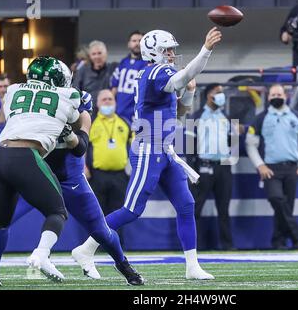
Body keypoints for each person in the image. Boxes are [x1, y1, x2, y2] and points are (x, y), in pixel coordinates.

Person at [72, 27, 222, 280]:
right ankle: (86, 248)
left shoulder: (158, 75)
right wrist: (205, 50)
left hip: (165, 149)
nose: (172, 54)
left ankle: (192, 266)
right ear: (153, 51)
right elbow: (182, 77)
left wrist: (191, 91)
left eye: (173, 49)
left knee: (186, 205)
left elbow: (179, 113)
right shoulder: (156, 71)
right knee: (131, 210)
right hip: (147, 149)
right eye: (167, 49)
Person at [0, 91, 144, 288]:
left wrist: (70, 134)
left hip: (70, 180)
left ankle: (123, 264)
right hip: (36, 175)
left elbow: (80, 148)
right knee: (1, 221)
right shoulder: (42, 105)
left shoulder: (79, 109)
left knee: (101, 230)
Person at [0, 56, 81, 283]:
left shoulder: (13, 90)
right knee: (57, 212)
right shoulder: (68, 95)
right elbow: (76, 124)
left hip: (0, 156)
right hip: (26, 156)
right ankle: (41, 254)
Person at [245, 84, 298, 250]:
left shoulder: (297, 117)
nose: (276, 97)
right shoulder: (261, 118)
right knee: (276, 199)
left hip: (292, 168)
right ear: (268, 98)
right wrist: (260, 165)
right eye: (273, 94)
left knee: (286, 206)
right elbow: (250, 144)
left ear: (286, 96)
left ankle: (278, 241)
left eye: (279, 94)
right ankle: (296, 237)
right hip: (270, 169)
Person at [187, 83, 234, 250]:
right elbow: (189, 146)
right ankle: (193, 246)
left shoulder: (227, 118)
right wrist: (192, 170)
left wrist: (228, 166)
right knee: (196, 207)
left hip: (223, 167)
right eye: (218, 92)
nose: (221, 95)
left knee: (224, 208)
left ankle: (227, 245)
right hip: (203, 167)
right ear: (209, 95)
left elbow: (232, 144)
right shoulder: (195, 117)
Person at [87, 89, 131, 216]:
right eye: (104, 99)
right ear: (97, 104)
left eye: (110, 99)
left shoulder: (124, 123)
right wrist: (83, 167)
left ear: (115, 103)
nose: (107, 102)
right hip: (97, 176)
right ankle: (98, 237)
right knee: (97, 217)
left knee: (118, 216)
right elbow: (82, 147)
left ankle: (117, 237)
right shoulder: (91, 123)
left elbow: (135, 145)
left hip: (120, 177)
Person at [111, 31, 148, 125]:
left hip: (137, 114)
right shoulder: (123, 62)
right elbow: (114, 88)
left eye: (140, 41)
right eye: (134, 40)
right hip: (119, 113)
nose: (137, 43)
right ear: (129, 44)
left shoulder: (148, 64)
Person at [73, 40, 118, 116]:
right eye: (94, 54)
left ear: (106, 53)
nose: (97, 56)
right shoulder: (82, 71)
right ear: (90, 56)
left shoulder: (114, 69)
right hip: (89, 114)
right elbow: (75, 91)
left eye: (99, 53)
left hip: (109, 113)